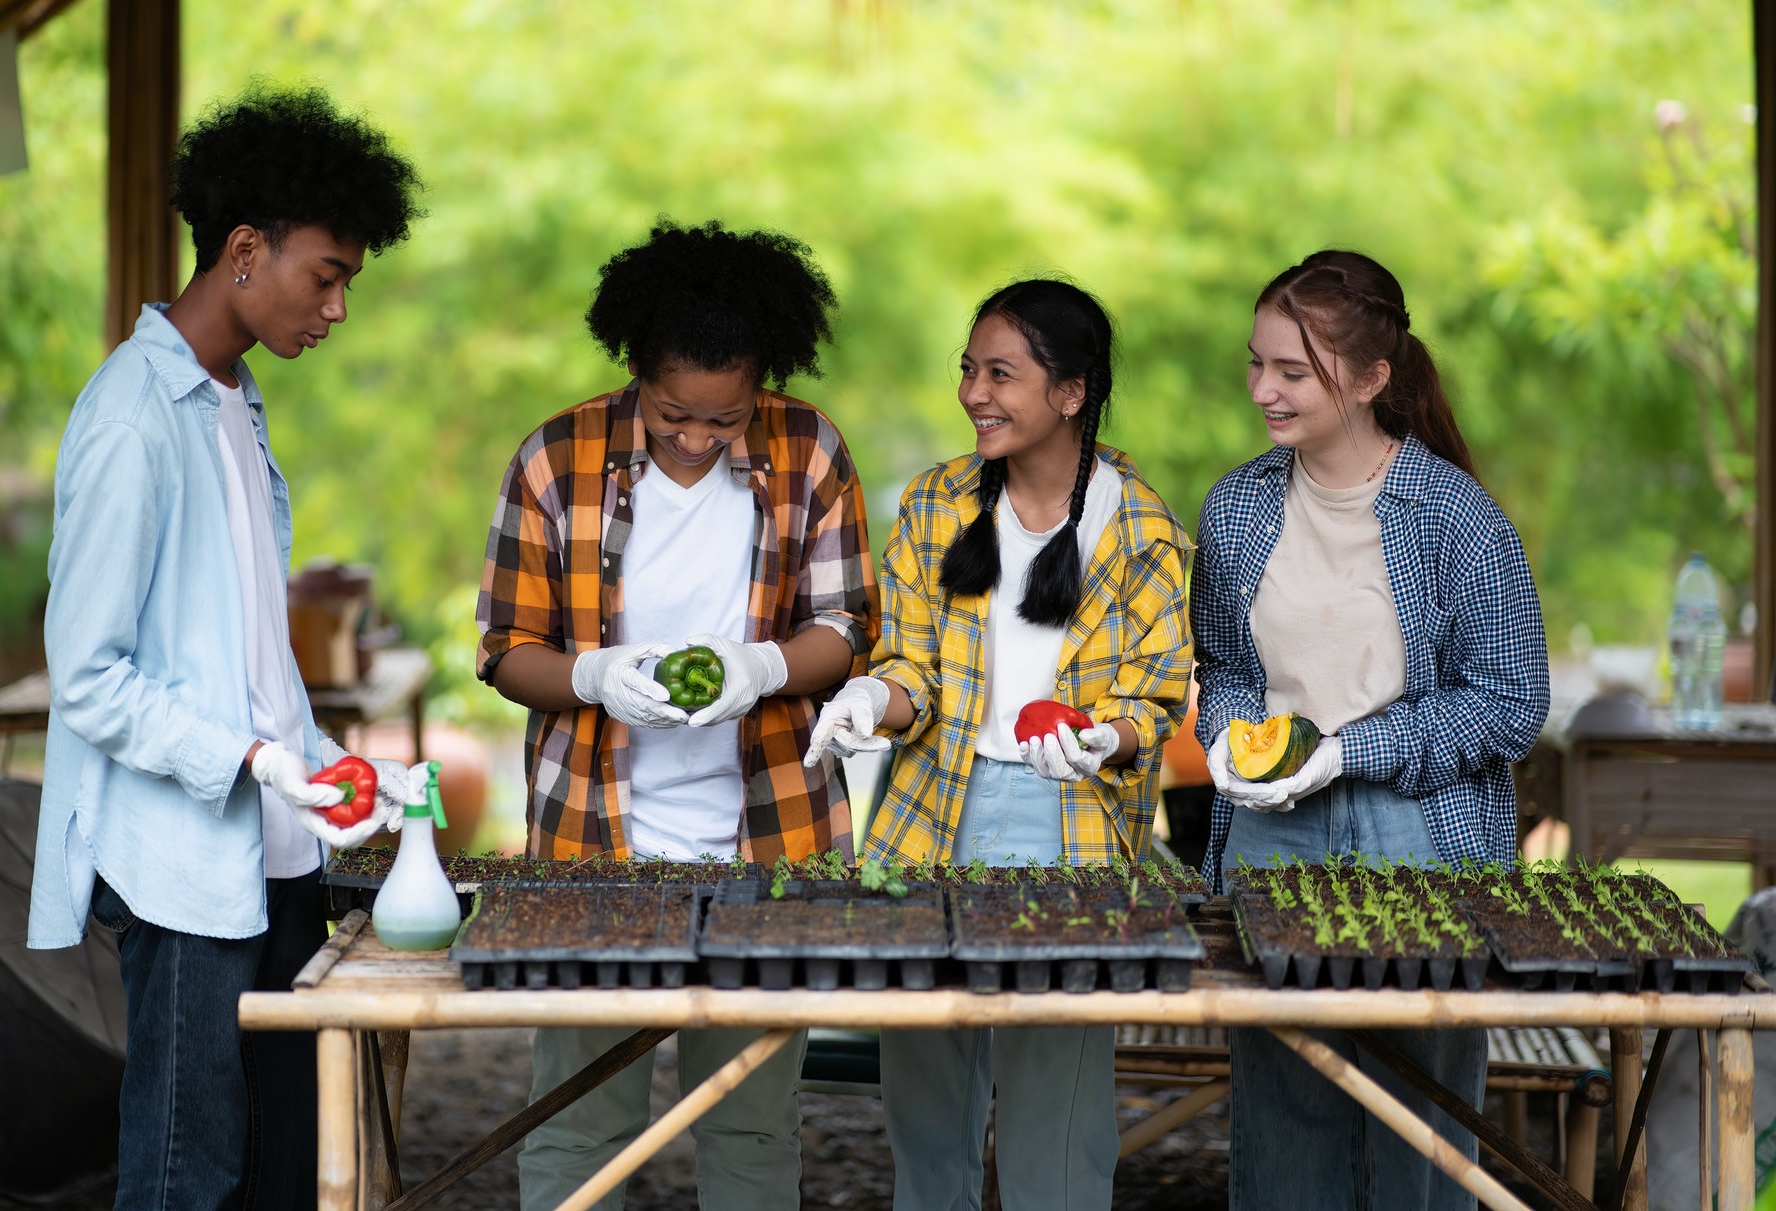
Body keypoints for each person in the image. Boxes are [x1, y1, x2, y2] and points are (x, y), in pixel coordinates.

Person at [27, 85, 425, 1211]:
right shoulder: (130, 417)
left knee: (284, 1169)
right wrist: (254, 763)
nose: (338, 307)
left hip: (272, 848)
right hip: (176, 863)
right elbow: (90, 676)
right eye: (329, 275)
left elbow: (247, 655)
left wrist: (334, 775)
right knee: (183, 1171)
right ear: (245, 252)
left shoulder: (233, 401)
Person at [476, 219, 879, 1211]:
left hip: (765, 841)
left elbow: (847, 626)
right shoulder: (553, 459)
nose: (697, 438)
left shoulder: (810, 447)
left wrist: (763, 666)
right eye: (671, 418)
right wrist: (592, 678)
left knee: (749, 1116)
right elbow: (502, 649)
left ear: (761, 384)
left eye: (724, 420)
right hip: (592, 849)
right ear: (633, 369)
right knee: (579, 1114)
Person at [807, 278, 1193, 1210]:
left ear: (1072, 391)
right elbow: (913, 671)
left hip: (1075, 827)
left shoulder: (1139, 526)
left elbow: (1160, 695)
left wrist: (1107, 737)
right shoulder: (938, 501)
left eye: (1002, 373)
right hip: (935, 810)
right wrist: (871, 697)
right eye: (969, 369)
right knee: (926, 1104)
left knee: (1055, 1120)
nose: (975, 391)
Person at [1191, 250, 1550, 1210]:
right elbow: (1225, 663)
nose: (1265, 389)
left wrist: (1351, 751)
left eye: (1293, 371)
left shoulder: (1459, 518)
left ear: (1371, 377)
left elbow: (1512, 701)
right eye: (1257, 363)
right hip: (1272, 831)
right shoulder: (1236, 506)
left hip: (1419, 834)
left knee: (1419, 1123)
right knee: (1284, 1110)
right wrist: (1229, 734)